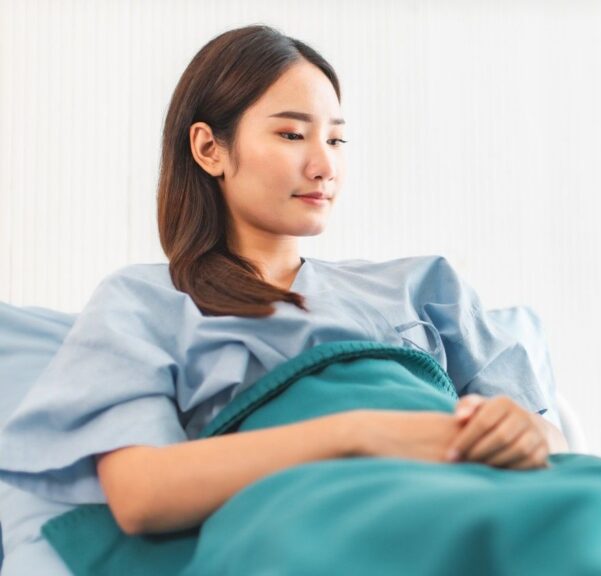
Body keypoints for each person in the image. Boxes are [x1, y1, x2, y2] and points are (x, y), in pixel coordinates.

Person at [0, 23, 565, 548]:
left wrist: (523, 435)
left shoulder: (424, 285)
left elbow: (554, 445)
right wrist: (358, 435)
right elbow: (141, 494)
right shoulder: (144, 304)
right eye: (293, 134)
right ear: (209, 149)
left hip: (503, 507)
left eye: (338, 141)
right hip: (342, 530)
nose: (325, 165)